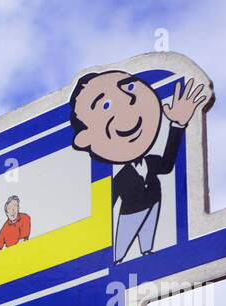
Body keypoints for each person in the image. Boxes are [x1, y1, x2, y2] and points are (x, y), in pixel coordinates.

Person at [69, 71, 207, 263]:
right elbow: (106, 207)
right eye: (105, 105)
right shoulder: (118, 178)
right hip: (130, 213)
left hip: (154, 202)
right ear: (85, 139)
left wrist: (177, 125)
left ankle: (146, 252)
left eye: (130, 87)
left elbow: (168, 165)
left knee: (148, 235)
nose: (127, 101)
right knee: (122, 243)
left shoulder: (151, 161)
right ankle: (117, 261)